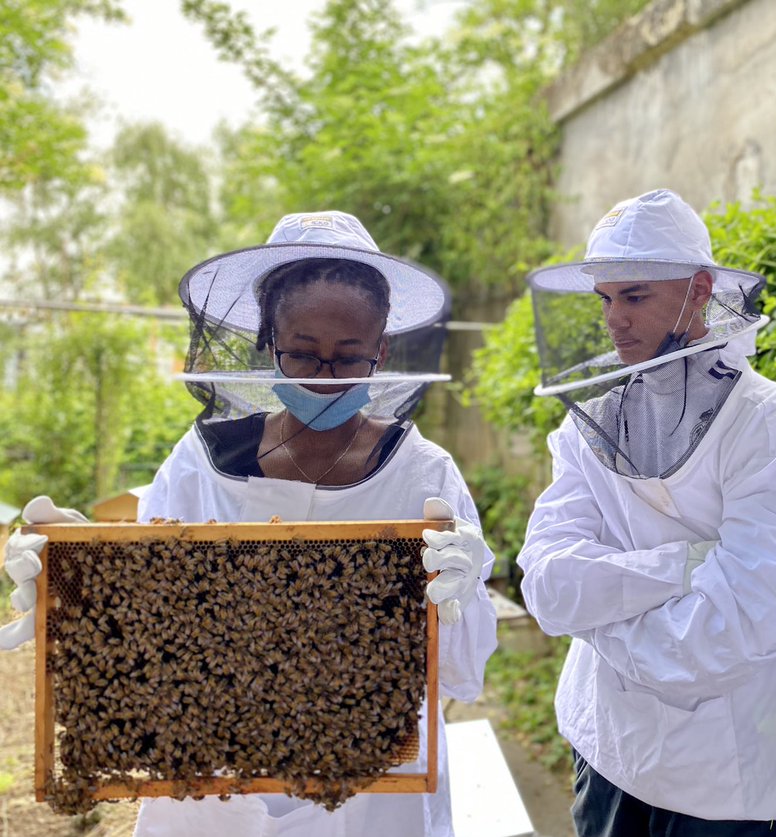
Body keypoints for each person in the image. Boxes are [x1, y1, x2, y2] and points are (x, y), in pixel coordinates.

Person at [2, 211, 498, 837]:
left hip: (371, 793)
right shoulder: (200, 458)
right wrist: (71, 573)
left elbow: (462, 673)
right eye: (302, 353)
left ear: (383, 349)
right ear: (268, 342)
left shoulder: (425, 474)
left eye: (348, 357)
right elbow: (143, 612)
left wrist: (461, 597)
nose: (324, 378)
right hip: (211, 785)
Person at [517, 189, 776, 837]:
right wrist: (685, 565)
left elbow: (750, 619)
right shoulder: (592, 420)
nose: (614, 318)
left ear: (700, 290)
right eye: (605, 298)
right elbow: (550, 585)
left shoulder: (765, 421)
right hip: (609, 743)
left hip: (726, 768)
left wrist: (604, 615)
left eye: (635, 296)